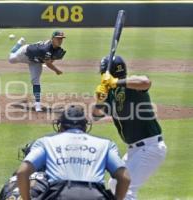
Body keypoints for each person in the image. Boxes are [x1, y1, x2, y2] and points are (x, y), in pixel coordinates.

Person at [17, 105, 130, 200]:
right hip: (95, 195)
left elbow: (22, 172)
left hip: (59, 194)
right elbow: (125, 178)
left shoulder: (46, 142)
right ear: (85, 126)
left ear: (60, 126)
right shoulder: (106, 144)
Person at [93, 56, 167, 199]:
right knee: (115, 184)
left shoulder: (132, 85)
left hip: (150, 147)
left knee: (126, 189)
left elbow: (145, 82)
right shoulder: (111, 94)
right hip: (135, 149)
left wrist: (116, 82)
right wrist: (99, 100)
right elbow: (96, 115)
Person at [8, 31, 66, 112]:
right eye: (58, 38)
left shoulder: (54, 47)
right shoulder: (46, 49)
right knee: (11, 59)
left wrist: (53, 58)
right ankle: (19, 44)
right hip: (25, 53)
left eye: (61, 39)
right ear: (53, 39)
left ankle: (37, 105)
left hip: (36, 61)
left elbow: (49, 60)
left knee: (36, 81)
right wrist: (57, 70)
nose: (60, 40)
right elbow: (48, 64)